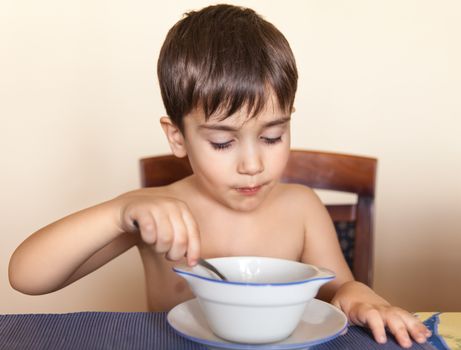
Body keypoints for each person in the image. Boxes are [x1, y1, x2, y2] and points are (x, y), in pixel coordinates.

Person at [9, 4, 430, 348]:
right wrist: (121, 211)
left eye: (272, 135)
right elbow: (26, 277)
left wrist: (362, 298)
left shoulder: (301, 208)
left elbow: (341, 291)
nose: (252, 164)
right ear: (178, 137)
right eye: (223, 143)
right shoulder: (157, 214)